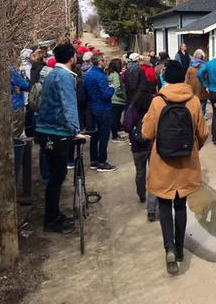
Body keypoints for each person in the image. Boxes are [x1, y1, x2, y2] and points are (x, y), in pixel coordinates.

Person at [142, 61, 208, 274]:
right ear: (183, 78)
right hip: (187, 162)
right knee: (181, 206)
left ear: (165, 78)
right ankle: (180, 250)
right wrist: (195, 147)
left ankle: (168, 247)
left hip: (162, 162)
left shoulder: (157, 102)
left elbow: (147, 133)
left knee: (164, 204)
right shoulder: (194, 101)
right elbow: (203, 133)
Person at [36, 43, 84, 233]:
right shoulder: (65, 76)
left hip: (45, 129)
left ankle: (54, 214)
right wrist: (75, 130)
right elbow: (68, 104)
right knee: (57, 177)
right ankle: (51, 220)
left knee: (55, 176)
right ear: (72, 57)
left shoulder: (51, 73)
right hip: (57, 133)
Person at [123, 84, 158, 221]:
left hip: (137, 146)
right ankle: (152, 206)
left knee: (140, 172)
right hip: (152, 144)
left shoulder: (133, 108)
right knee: (154, 175)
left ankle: (141, 194)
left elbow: (126, 126)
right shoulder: (153, 107)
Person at [83, 53, 117, 172]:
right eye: (104, 60)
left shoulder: (87, 75)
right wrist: (112, 88)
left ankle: (93, 160)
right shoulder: (101, 76)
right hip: (103, 108)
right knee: (104, 136)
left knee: (94, 135)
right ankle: (102, 162)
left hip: (92, 107)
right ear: (100, 62)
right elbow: (106, 94)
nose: (106, 62)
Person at [185, 49, 209, 118]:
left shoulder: (190, 68)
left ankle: (194, 119)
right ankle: (201, 120)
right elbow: (208, 79)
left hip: (193, 91)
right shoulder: (205, 67)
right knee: (202, 108)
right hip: (203, 91)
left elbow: (186, 81)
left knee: (193, 107)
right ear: (203, 58)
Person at [108, 58, 127, 142]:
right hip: (117, 100)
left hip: (113, 99)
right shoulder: (116, 75)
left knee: (114, 118)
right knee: (116, 118)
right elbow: (117, 88)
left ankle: (115, 134)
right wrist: (124, 96)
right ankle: (115, 136)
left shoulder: (110, 74)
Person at [10, 65, 30, 138]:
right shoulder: (11, 70)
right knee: (16, 130)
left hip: (3, 104)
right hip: (15, 103)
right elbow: (25, 86)